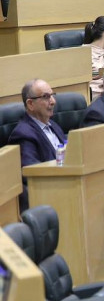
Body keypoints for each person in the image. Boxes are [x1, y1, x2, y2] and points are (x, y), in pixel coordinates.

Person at [9, 79, 66, 210]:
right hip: (49, 197)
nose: (53, 101)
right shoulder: (23, 134)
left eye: (52, 95)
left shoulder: (53, 125)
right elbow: (33, 173)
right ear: (30, 104)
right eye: (46, 97)